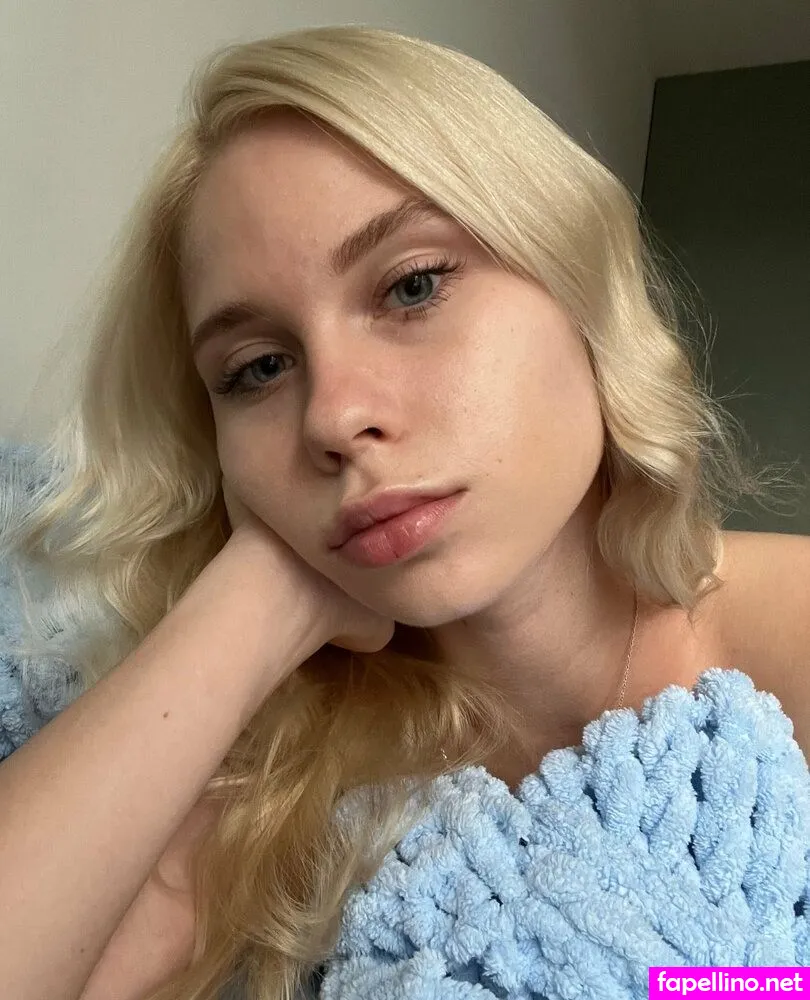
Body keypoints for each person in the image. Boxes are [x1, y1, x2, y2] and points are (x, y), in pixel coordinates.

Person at [0, 23, 807, 1000]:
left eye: (412, 286)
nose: (333, 417)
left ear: (577, 283)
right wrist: (253, 603)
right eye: (258, 368)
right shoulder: (284, 762)